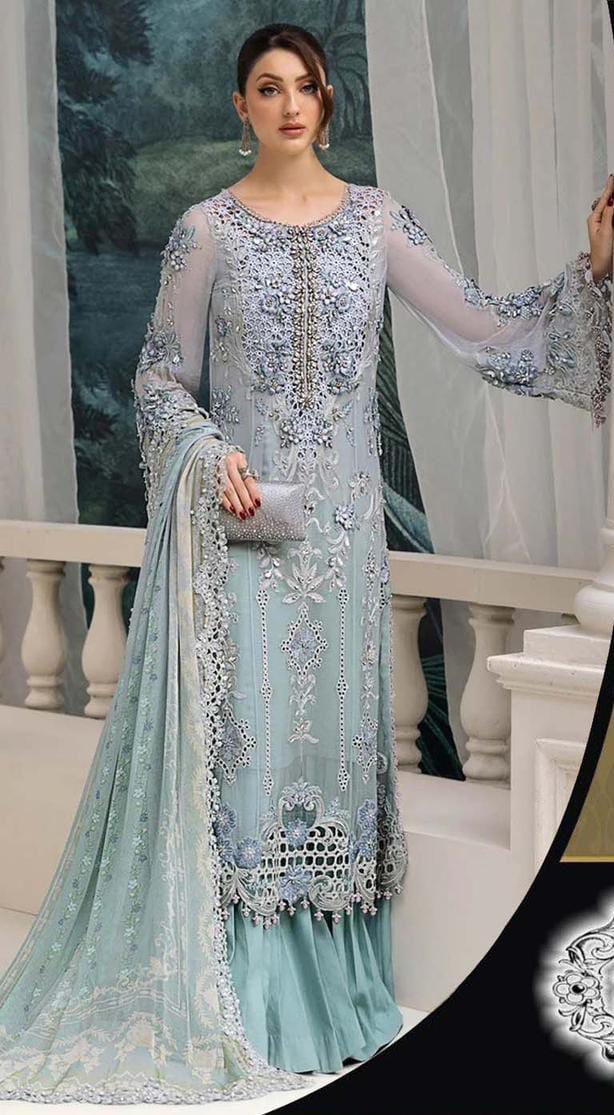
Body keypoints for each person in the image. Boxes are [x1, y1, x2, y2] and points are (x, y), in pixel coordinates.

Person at [0, 19, 611, 1107]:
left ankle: (331, 1003)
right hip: (243, 538)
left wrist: (593, 273)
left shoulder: (376, 222)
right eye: (268, 87)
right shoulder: (205, 231)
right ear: (240, 106)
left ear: (327, 104)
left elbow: (486, 330)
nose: (290, 103)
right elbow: (159, 379)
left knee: (327, 760)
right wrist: (210, 454)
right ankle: (240, 1000)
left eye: (306, 86)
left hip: (339, 553)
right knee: (245, 759)